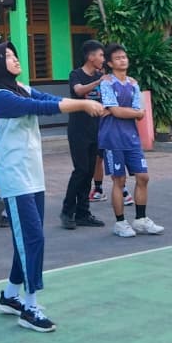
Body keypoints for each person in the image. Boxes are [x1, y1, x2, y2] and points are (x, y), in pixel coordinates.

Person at [0, 41, 104, 333]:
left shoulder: (20, 87)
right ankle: (29, 306)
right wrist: (83, 104)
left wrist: (82, 102)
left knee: (25, 240)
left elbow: (47, 97)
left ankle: (10, 295)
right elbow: (42, 107)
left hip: (32, 174)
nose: (15, 59)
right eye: (7, 56)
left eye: (14, 55)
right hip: (14, 177)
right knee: (33, 239)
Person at [99, 45, 163, 239]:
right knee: (119, 180)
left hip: (131, 138)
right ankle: (120, 223)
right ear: (110, 63)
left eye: (124, 57)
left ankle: (141, 219)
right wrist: (126, 112)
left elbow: (140, 113)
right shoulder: (106, 83)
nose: (123, 60)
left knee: (143, 177)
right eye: (118, 58)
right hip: (112, 138)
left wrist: (124, 111)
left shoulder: (133, 84)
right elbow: (117, 111)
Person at [60, 40, 106, 230]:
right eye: (100, 55)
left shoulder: (101, 75)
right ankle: (67, 212)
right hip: (78, 130)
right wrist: (97, 82)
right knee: (80, 171)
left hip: (96, 130)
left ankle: (83, 213)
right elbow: (78, 90)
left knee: (89, 172)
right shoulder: (76, 74)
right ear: (90, 56)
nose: (103, 59)